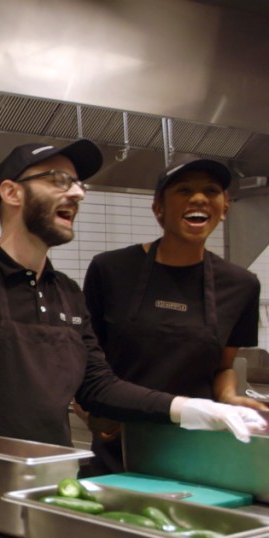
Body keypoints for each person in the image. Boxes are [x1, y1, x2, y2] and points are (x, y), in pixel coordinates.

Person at [0, 139, 267, 451]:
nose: (77, 193)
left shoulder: (67, 292)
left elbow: (98, 385)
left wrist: (189, 408)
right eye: (58, 180)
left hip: (54, 475)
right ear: (12, 192)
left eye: (79, 183)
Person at [80, 158, 266, 475]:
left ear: (224, 208)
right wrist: (88, 412)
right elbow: (84, 361)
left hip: (199, 445)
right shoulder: (110, 270)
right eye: (184, 190)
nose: (198, 198)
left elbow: (223, 366)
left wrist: (228, 398)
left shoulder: (240, 285)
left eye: (211, 190)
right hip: (123, 439)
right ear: (158, 209)